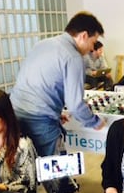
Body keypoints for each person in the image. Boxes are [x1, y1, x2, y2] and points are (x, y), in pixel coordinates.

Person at [10, 11, 106, 157]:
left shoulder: (42, 44)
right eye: (93, 43)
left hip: (14, 114)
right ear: (83, 36)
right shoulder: (73, 57)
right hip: (40, 122)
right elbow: (75, 106)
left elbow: (38, 82)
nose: (92, 49)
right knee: (53, 169)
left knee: (26, 161)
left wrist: (54, 112)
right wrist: (95, 122)